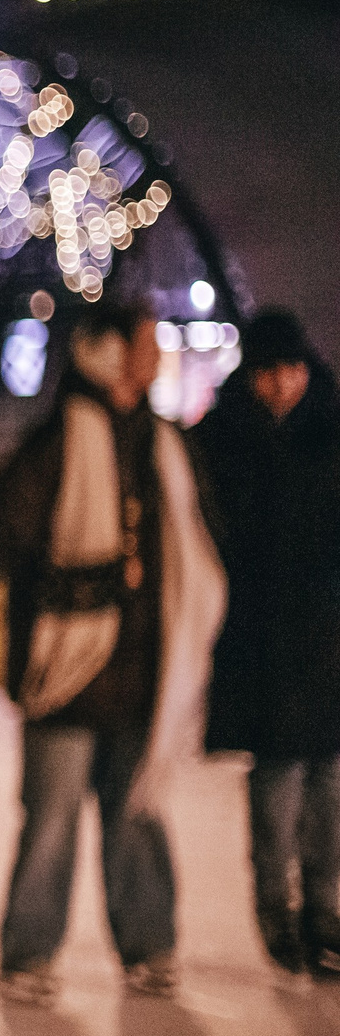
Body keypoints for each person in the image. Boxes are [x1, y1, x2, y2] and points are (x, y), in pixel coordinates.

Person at [0, 294, 225, 1006]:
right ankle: (29, 952)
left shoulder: (164, 446)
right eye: (146, 342)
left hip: (144, 668)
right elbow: (0, 521)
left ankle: (149, 943)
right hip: (66, 667)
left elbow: (205, 538)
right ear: (111, 352)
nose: (157, 355)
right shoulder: (59, 440)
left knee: (137, 814)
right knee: (52, 819)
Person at [189, 308, 340, 976]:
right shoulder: (221, 440)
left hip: (328, 635)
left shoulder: (331, 431)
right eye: (270, 372)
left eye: (293, 370)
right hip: (261, 636)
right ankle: (275, 906)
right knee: (279, 777)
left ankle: (325, 909)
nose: (283, 385)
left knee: (329, 782)